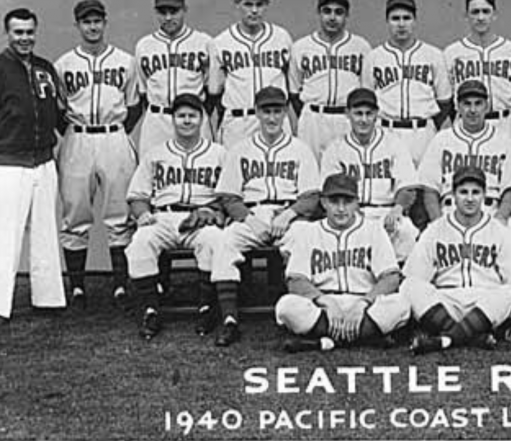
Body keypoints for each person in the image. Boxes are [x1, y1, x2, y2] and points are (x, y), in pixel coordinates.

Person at [210, 87, 320, 346]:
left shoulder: (300, 149)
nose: (272, 118)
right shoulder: (240, 149)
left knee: (305, 239)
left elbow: (311, 196)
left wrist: (289, 214)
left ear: (284, 113)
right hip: (252, 213)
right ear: (257, 113)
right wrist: (250, 220)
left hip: (289, 215)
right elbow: (228, 196)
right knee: (225, 242)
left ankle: (300, 315)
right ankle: (230, 320)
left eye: (277, 111)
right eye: (266, 111)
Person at [0, 8, 66, 324]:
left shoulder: (45, 68)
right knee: (6, 235)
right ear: (7, 33)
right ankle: (1, 306)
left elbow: (58, 113)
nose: (25, 38)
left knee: (45, 232)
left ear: (36, 32)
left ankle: (48, 299)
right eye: (18, 32)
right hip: (6, 165)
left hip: (43, 162)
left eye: (30, 31)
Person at [55, 0, 141, 310]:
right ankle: (77, 287)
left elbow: (134, 105)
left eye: (97, 21)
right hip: (77, 138)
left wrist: (116, 132)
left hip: (114, 136)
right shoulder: (63, 64)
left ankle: (120, 284)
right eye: (86, 21)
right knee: (75, 212)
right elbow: (57, 110)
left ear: (105, 23)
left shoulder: (126, 60)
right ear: (77, 25)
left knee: (120, 211)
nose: (92, 26)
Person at [401, 166, 511, 355]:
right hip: (446, 302)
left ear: (484, 195)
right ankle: (471, 336)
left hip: (485, 303)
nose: (470, 198)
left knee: (510, 292)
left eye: (476, 192)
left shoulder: (498, 230)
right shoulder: (435, 229)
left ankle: (445, 338)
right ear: (453, 195)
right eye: (463, 192)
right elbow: (415, 276)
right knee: (410, 286)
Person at [125, 94, 226, 339]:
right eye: (181, 116)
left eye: (192, 116)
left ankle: (206, 306)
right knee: (140, 243)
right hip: (163, 217)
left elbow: (230, 194)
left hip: (202, 217)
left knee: (214, 241)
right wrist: (142, 215)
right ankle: (150, 309)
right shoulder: (156, 154)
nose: (187, 121)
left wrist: (212, 210)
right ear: (173, 120)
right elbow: (137, 195)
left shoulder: (219, 153)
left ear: (202, 119)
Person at [276, 173, 411, 353]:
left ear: (357, 202)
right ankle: (367, 336)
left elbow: (391, 278)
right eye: (334, 201)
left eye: (347, 202)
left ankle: (326, 340)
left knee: (401, 304)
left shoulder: (373, 229)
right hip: (323, 306)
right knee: (286, 306)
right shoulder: (309, 232)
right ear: (323, 202)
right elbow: (295, 280)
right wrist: (325, 302)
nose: (341, 208)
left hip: (364, 304)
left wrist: (363, 304)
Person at [317, 88, 420, 262]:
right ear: (347, 114)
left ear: (377, 115)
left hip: (386, 212)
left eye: (369, 114)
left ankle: (400, 281)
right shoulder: (335, 148)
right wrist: (351, 214)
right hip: (350, 213)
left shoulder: (393, 143)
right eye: (358, 114)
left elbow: (408, 186)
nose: (363, 120)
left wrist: (398, 208)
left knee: (406, 231)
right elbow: (328, 191)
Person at [417, 80, 511, 241]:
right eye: (467, 104)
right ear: (457, 107)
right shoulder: (441, 140)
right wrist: (437, 221)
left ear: (487, 106)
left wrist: (501, 218)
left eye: (478, 104)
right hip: (450, 210)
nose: (472, 110)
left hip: (491, 211)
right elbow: (430, 189)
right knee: (426, 239)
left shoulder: (504, 141)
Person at [362, 0, 452, 165]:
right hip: (386, 130)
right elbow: (367, 99)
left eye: (407, 18)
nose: (401, 24)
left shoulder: (433, 55)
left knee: (424, 186)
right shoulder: (374, 57)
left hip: (422, 132)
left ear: (415, 21)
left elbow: (444, 100)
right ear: (387, 21)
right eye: (395, 18)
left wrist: (428, 123)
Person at [443, 0, 511, 151]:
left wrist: (509, 119)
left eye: (486, 11)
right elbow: (447, 101)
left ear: (494, 14)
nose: (480, 17)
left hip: (504, 122)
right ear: (466, 16)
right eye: (475, 12)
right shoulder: (452, 53)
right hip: (466, 124)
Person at [208, 0, 293, 147]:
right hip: (239, 121)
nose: (254, 10)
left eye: (259, 4)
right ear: (237, 4)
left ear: (267, 4)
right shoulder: (221, 42)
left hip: (274, 119)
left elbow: (292, 87)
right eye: (248, 4)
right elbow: (214, 91)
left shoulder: (282, 37)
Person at [288, 0, 371, 160]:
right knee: (310, 173)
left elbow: (367, 88)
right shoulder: (301, 47)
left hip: (346, 119)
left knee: (348, 172)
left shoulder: (361, 46)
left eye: (338, 12)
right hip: (313, 119)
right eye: (327, 11)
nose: (332, 17)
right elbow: (294, 92)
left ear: (347, 15)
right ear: (319, 13)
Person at [133, 0, 213, 154]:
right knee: (153, 174)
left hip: (192, 117)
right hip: (157, 119)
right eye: (162, 12)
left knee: (199, 173)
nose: (168, 17)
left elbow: (212, 89)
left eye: (174, 11)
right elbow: (142, 92)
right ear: (156, 12)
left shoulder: (204, 42)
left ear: (184, 10)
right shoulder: (144, 45)